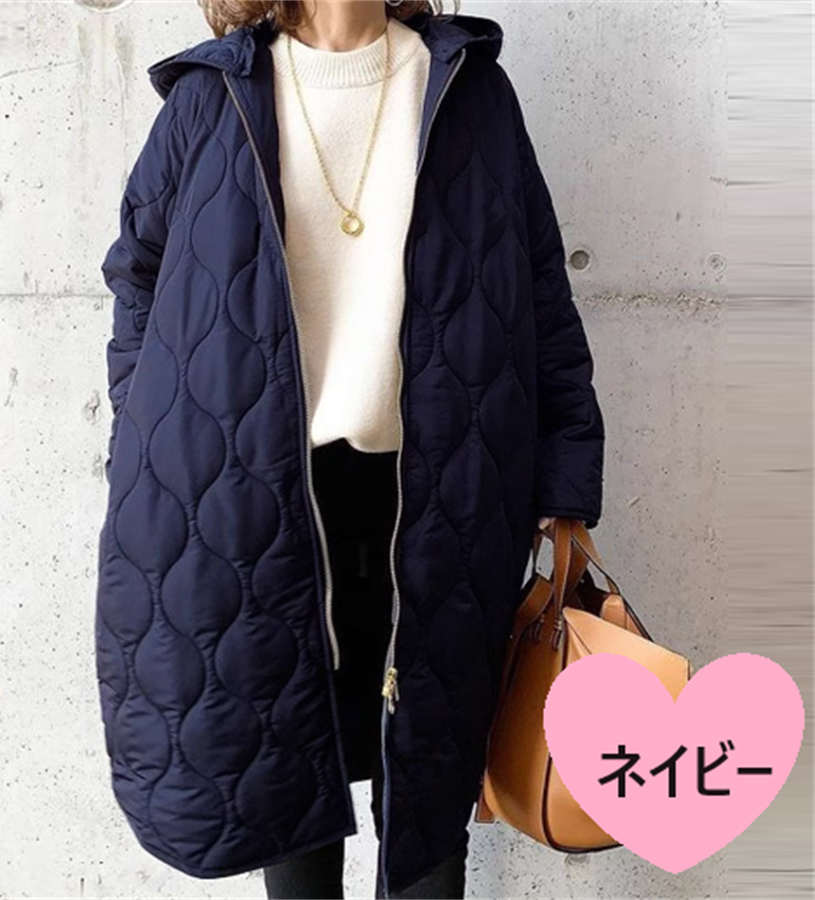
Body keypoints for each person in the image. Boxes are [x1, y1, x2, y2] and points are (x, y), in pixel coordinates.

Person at [94, 0, 604, 898]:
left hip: (443, 490)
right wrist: (146, 442)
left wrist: (565, 482)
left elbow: (540, 292)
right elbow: (139, 278)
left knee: (434, 780)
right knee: (282, 775)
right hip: (253, 498)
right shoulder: (212, 98)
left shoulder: (468, 90)